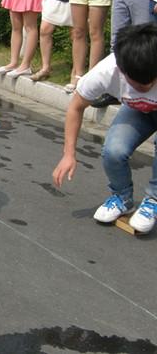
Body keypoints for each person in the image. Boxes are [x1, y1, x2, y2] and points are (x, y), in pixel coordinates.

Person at [53, 23, 157, 233]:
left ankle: (154, 200)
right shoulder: (106, 71)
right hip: (137, 111)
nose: (145, 89)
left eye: (151, 83)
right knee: (113, 151)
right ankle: (122, 197)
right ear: (122, 69)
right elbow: (76, 107)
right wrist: (68, 154)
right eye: (138, 85)